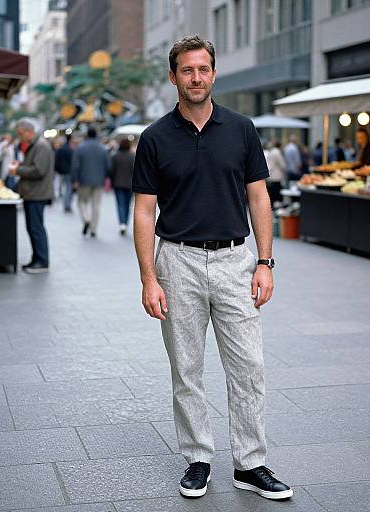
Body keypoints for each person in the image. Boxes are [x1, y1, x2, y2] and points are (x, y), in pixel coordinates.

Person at [132, 35, 292, 501]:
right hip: (176, 261)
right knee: (186, 369)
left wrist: (265, 262)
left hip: (235, 261)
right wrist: (148, 277)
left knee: (249, 367)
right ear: (173, 76)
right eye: (187, 70)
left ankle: (250, 463)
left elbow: (258, 197)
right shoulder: (154, 138)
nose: (196, 77)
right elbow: (144, 211)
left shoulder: (241, 129)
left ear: (214, 73)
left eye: (203, 69)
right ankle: (198, 458)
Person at [8, 118, 54, 274]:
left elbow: (38, 170)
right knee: (33, 227)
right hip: (32, 193)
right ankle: (37, 258)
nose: (20, 137)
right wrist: (20, 167)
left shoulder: (41, 146)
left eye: (21, 134)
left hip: (37, 193)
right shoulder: (36, 145)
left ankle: (42, 261)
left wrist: (18, 170)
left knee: (36, 228)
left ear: (29, 132)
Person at [71, 126, 110, 238]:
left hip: (83, 180)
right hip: (99, 181)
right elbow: (108, 166)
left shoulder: (80, 148)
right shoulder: (103, 148)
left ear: (87, 135)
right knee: (96, 205)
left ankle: (86, 219)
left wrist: (75, 179)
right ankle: (93, 229)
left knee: (82, 202)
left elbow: (75, 166)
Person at [110, 137, 135, 235]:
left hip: (118, 184)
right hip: (130, 184)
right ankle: (125, 223)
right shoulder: (132, 156)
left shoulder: (116, 156)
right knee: (127, 205)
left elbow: (112, 170)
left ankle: (122, 223)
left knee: (120, 204)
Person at [55, 134, 74, 212]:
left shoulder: (61, 149)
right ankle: (67, 205)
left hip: (62, 171)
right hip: (69, 171)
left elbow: (57, 159)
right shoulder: (71, 150)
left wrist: (57, 169)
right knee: (69, 188)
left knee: (64, 187)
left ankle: (66, 203)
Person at [264, 140, 286, 207]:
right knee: (277, 193)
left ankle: (273, 206)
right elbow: (282, 165)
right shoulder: (277, 152)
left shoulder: (272, 151)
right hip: (276, 175)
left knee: (272, 193)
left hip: (271, 174)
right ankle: (276, 207)